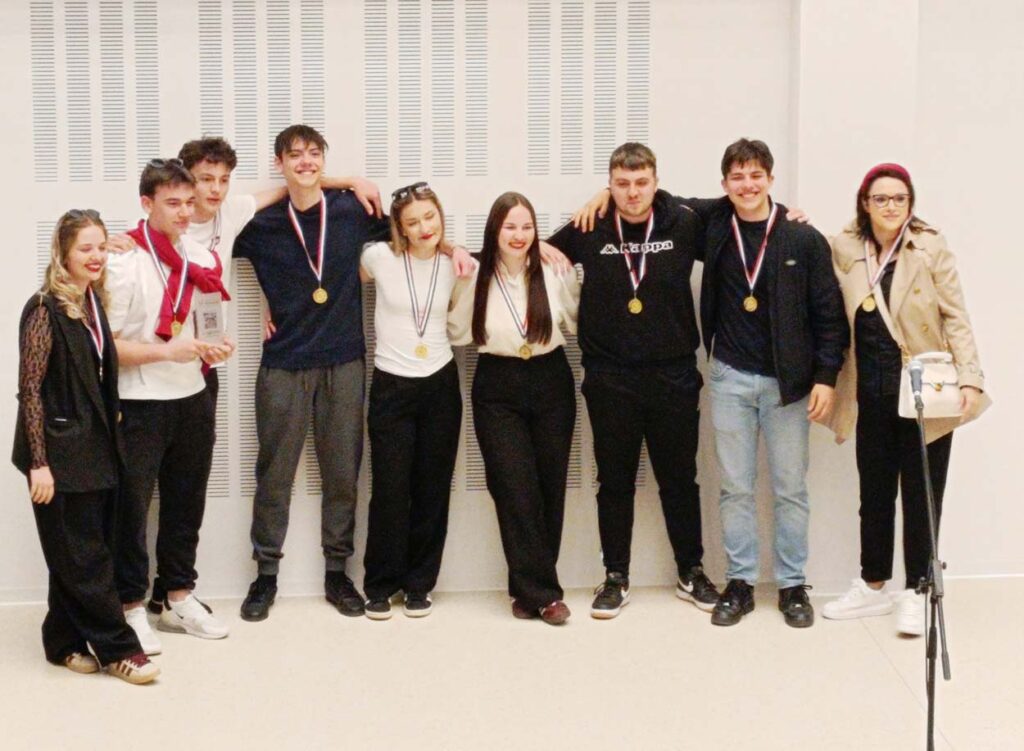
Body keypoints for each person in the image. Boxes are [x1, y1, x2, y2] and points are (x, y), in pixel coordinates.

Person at [572, 139, 847, 628]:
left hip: (785, 383)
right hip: (726, 377)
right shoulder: (713, 223)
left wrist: (825, 377)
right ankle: (737, 583)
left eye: (756, 175)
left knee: (788, 488)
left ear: (771, 179)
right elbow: (652, 199)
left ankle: (790, 585)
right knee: (733, 489)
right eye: (737, 177)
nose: (747, 185)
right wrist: (602, 194)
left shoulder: (800, 238)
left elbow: (829, 314)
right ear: (724, 185)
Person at [105, 137, 382, 615]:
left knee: (337, 474)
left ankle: (332, 574)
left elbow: (405, 230)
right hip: (177, 377)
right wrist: (115, 240)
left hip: (211, 373)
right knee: (263, 477)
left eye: (222, 180)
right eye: (202, 181)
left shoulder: (243, 215)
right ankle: (255, 578)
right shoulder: (168, 237)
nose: (213, 190)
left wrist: (348, 181)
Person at [546, 142, 719, 619]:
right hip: (610, 378)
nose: (633, 192)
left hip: (674, 375)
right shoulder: (590, 226)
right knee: (614, 482)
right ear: (610, 186)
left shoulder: (682, 221)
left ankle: (691, 571)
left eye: (642, 182)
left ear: (656, 183)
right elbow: (536, 250)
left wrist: (788, 213)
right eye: (622, 184)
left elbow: (739, 209)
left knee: (679, 480)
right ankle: (615, 576)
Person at [823, 163, 988, 636]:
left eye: (899, 198)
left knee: (922, 495)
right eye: (881, 198)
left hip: (923, 392)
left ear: (910, 203)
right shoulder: (846, 248)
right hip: (870, 389)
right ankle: (873, 586)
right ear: (865, 203)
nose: (890, 206)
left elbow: (956, 317)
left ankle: (917, 589)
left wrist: (970, 378)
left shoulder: (930, 247)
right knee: (874, 494)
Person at [13, 210, 158, 684]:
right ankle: (120, 649)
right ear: (63, 253)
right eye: (85, 249)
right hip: (58, 453)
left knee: (76, 552)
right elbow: (31, 391)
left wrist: (110, 245)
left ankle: (63, 641)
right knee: (85, 557)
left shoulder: (92, 301)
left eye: (100, 247)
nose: (95, 257)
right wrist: (39, 463)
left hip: (98, 449)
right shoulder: (44, 309)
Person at [106, 159, 236, 654]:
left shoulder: (201, 256)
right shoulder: (122, 260)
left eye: (189, 202)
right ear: (147, 203)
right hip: (138, 402)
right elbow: (105, 348)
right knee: (131, 510)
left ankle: (177, 597)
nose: (185, 212)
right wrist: (166, 352)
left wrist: (215, 346)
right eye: (173, 203)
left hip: (193, 396)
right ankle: (129, 606)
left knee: (186, 503)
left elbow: (206, 327)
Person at [449, 192, 580, 625]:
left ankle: (528, 593)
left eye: (527, 227)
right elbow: (457, 331)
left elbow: (576, 319)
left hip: (550, 378)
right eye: (510, 227)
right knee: (513, 487)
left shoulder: (553, 268)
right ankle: (547, 596)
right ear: (494, 230)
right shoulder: (474, 273)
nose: (519, 235)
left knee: (549, 487)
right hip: (497, 383)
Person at [358, 182, 462, 619]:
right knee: (389, 489)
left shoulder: (456, 263)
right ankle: (381, 585)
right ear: (399, 228)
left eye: (430, 217)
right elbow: (337, 279)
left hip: (440, 383)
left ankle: (420, 584)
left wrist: (456, 248)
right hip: (391, 385)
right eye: (413, 222)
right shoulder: (378, 258)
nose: (424, 228)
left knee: (432, 489)